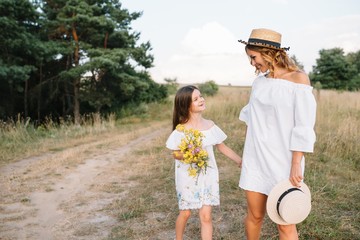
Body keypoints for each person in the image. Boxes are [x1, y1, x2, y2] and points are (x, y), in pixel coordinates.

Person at [237, 28, 317, 240]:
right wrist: (246, 155)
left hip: (284, 161)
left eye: (253, 57)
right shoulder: (259, 83)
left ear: (268, 53)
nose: (252, 63)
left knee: (285, 222)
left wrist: (295, 163)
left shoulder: (299, 80)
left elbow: (303, 127)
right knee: (255, 216)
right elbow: (250, 121)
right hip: (256, 159)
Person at [166, 85, 242, 240]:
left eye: (201, 96)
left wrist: (240, 161)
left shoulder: (210, 125)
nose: (201, 99)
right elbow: (175, 153)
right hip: (187, 177)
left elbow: (222, 146)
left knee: (206, 216)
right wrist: (190, 154)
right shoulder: (181, 130)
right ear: (186, 105)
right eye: (196, 99)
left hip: (208, 175)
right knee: (186, 213)